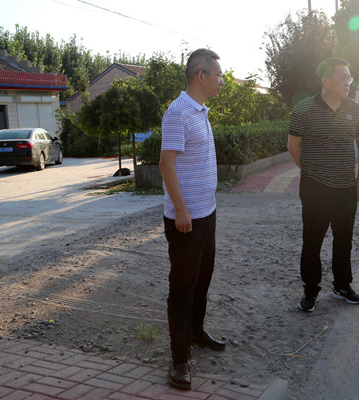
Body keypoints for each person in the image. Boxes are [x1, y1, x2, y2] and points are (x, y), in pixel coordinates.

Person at [159, 48, 226, 390]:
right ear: (201, 76)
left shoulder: (200, 111)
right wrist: (181, 209)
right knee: (182, 287)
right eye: (218, 75)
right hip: (185, 218)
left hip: (206, 213)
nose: (221, 81)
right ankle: (180, 360)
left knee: (202, 278)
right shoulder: (178, 112)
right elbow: (166, 163)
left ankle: (196, 332)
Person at [288, 57, 359, 312]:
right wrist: (311, 170)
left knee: (344, 239)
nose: (347, 82)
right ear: (326, 80)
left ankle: (342, 286)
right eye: (342, 77)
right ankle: (310, 290)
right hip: (315, 188)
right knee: (312, 240)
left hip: (346, 187)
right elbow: (293, 145)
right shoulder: (304, 109)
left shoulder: (353, 108)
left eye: (349, 77)